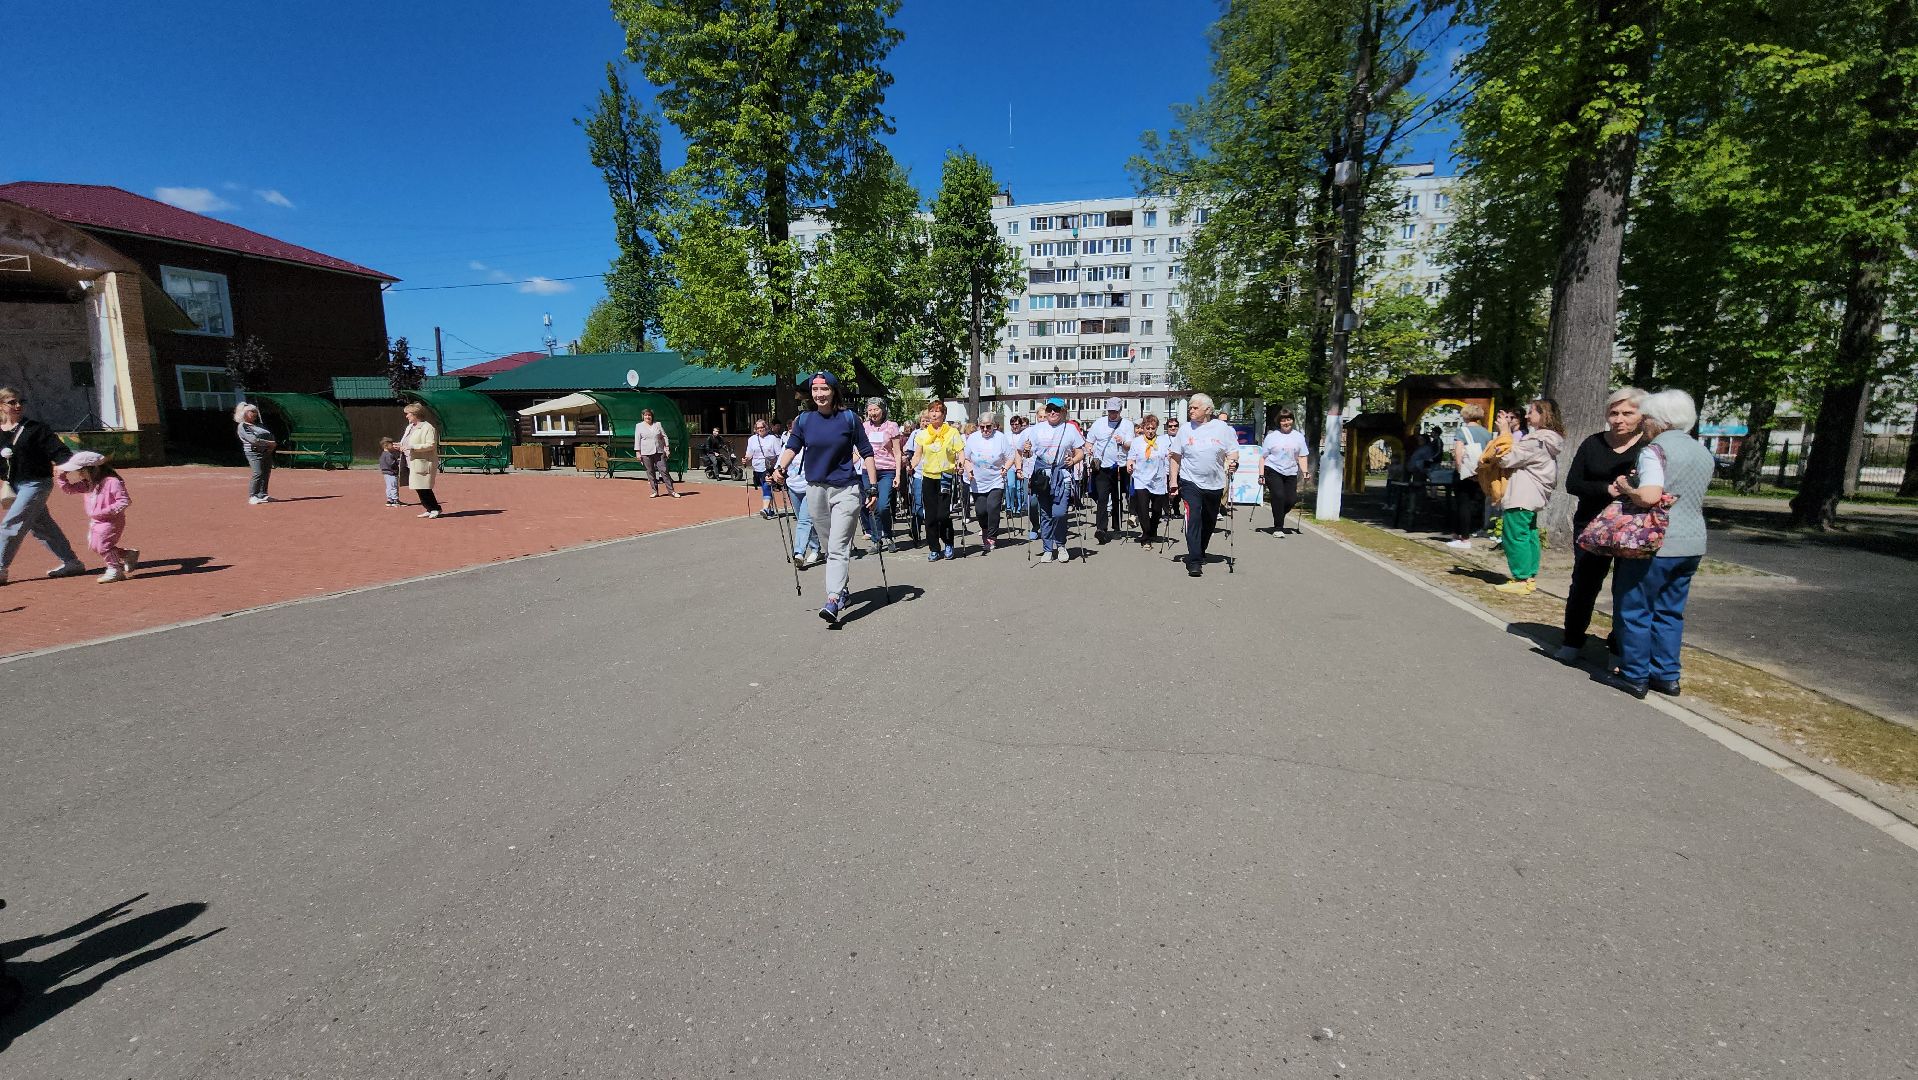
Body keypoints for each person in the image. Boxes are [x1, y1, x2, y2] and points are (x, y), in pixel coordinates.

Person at [1608, 389, 1713, 698]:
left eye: (1648, 418)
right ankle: (1666, 674)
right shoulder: (1701, 451)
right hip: (1692, 540)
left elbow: (1651, 495)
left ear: (1661, 421)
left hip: (1655, 541)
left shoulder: (1655, 450)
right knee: (1670, 610)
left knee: (1636, 607)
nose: (1645, 424)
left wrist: (1628, 487)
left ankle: (1634, 674)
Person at [772, 371, 877, 625]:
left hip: (846, 490)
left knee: (838, 547)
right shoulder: (805, 420)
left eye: (825, 389)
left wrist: (872, 487)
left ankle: (832, 599)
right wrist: (780, 468)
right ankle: (843, 590)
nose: (820, 394)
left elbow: (866, 452)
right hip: (816, 490)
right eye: (815, 389)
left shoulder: (849, 418)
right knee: (830, 547)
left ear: (834, 391)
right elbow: (792, 446)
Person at [1555, 388, 1647, 663]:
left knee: (1626, 589)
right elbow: (1573, 483)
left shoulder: (1649, 447)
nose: (1619, 419)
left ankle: (1618, 648)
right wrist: (1608, 489)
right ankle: (1572, 640)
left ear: (1643, 416)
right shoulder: (1592, 443)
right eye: (1613, 413)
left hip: (1632, 528)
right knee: (1584, 583)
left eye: (1627, 413)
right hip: (1591, 525)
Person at [0, 386, 86, 583]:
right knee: (42, 527)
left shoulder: (36, 429)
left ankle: (1, 568)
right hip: (14, 486)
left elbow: (59, 451)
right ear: (1, 406)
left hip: (36, 483)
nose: (18, 405)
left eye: (21, 401)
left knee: (11, 524)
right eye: (12, 402)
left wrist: (71, 465)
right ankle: (72, 563)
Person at [1481, 399, 1565, 595]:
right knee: (1529, 535)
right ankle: (1529, 577)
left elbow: (1507, 459)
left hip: (1522, 494)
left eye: (1531, 412)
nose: (1527, 416)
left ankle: (1521, 577)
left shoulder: (1537, 440)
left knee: (1515, 535)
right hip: (1532, 495)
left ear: (1544, 414)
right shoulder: (1548, 440)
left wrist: (1504, 433)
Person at [1168, 393, 1240, 577]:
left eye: (1194, 407)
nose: (1191, 410)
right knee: (1193, 518)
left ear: (1208, 410)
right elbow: (1175, 456)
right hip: (1190, 481)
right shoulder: (1185, 430)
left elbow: (1232, 452)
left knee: (1209, 521)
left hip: (1215, 483)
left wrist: (1233, 463)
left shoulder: (1222, 428)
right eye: (1190, 407)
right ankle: (1194, 560)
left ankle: (1200, 549)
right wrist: (1173, 481)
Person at [1016, 397, 1087, 563]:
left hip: (1062, 475)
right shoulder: (1036, 429)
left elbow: (1080, 452)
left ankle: (1061, 545)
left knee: (1059, 513)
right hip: (1042, 476)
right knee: (1046, 514)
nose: (1052, 412)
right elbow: (1025, 453)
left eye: (1056, 409)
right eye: (1049, 409)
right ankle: (1048, 548)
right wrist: (1026, 451)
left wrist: (1074, 461)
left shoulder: (1069, 429)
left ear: (1063, 412)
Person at [55, 451, 137, 583]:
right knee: (95, 545)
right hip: (97, 521)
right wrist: (61, 477)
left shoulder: (112, 482)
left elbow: (124, 501)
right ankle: (127, 554)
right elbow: (69, 489)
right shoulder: (88, 483)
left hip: (112, 520)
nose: (80, 474)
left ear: (94, 468)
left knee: (103, 545)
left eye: (82, 470)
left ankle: (115, 570)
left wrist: (106, 511)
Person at [913, 401, 965, 562]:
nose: (934, 414)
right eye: (932, 411)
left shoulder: (952, 432)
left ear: (944, 415)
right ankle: (934, 548)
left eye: (938, 411)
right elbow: (917, 455)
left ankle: (948, 543)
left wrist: (961, 464)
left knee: (943, 515)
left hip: (945, 477)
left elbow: (960, 452)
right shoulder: (922, 434)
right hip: (928, 477)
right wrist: (909, 465)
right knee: (930, 517)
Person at [1085, 398, 1135, 543]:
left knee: (1117, 496)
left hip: (1120, 466)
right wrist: (1089, 449)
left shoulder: (1127, 425)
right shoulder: (1099, 423)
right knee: (1102, 497)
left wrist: (1123, 442)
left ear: (1120, 411)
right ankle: (1101, 529)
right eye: (1110, 411)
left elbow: (1130, 446)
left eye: (1115, 411)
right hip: (1102, 467)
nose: (1112, 414)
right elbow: (1089, 442)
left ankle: (1117, 526)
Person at [962, 412, 1012, 555]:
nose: (985, 430)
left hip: (996, 480)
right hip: (978, 481)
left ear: (994, 426)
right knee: (981, 511)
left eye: (988, 427)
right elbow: (965, 458)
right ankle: (984, 529)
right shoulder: (973, 438)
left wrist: (1005, 468)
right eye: (982, 427)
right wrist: (969, 470)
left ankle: (991, 536)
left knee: (993, 507)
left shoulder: (1000, 438)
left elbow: (1010, 457)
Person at [1446, 404, 1494, 549]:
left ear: (1466, 415)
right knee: (1474, 503)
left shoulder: (1462, 431)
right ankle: (1463, 533)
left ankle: (1463, 538)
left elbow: (1459, 452)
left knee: (1462, 504)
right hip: (1480, 472)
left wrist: (1460, 469)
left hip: (1465, 472)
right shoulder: (1487, 433)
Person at [1259, 408, 1310, 535]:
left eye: (1288, 419)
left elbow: (1302, 456)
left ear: (1292, 420)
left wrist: (1305, 471)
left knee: (1291, 500)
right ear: (1279, 422)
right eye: (1283, 420)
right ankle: (1278, 528)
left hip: (1291, 471)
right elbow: (1263, 457)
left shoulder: (1298, 437)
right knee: (1279, 496)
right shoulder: (1272, 437)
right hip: (1273, 469)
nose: (1286, 423)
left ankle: (1279, 515)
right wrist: (1261, 474)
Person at [860, 399, 902, 551]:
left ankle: (888, 535)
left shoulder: (892, 426)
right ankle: (876, 539)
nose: (873, 413)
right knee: (872, 505)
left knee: (883, 505)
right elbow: (859, 450)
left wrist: (898, 475)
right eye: (870, 410)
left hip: (887, 470)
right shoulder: (864, 427)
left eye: (875, 410)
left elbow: (897, 453)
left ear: (883, 410)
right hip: (868, 470)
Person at [1124, 413, 1170, 544]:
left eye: (1153, 429)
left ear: (1156, 429)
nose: (1150, 431)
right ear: (1143, 428)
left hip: (1158, 479)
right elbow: (1131, 457)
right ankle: (1146, 535)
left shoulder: (1162, 441)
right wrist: (1129, 465)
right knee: (1143, 509)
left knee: (1156, 510)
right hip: (1141, 479)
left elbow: (1170, 455)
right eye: (1148, 428)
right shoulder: (1137, 442)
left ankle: (1153, 530)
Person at [399, 402, 444, 518]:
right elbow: (407, 441)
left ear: (415, 414)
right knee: (418, 487)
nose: (406, 416)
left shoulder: (428, 428)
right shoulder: (410, 427)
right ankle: (429, 508)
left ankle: (435, 508)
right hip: (411, 461)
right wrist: (399, 445)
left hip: (423, 462)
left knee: (424, 487)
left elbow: (431, 445)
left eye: (408, 414)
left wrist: (412, 447)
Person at [235, 401, 277, 505]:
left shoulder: (259, 425)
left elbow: (269, 435)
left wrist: (271, 446)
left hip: (266, 452)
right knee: (257, 473)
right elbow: (253, 440)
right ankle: (252, 496)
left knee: (266, 473)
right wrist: (269, 443)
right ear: (245, 413)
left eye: (255, 411)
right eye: (252, 411)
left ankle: (262, 494)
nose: (255, 414)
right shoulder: (243, 426)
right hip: (253, 453)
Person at [784, 449, 821, 568]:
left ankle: (799, 553)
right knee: (805, 520)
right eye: (788, 428)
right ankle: (816, 548)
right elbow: (780, 465)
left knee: (804, 521)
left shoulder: (812, 441)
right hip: (793, 487)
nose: (791, 429)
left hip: (810, 486)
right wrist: (776, 475)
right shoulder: (788, 444)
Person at [635, 409, 678, 498]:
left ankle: (671, 491)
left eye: (649, 415)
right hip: (646, 452)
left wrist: (667, 448)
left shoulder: (658, 424)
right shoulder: (639, 426)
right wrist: (638, 452)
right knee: (650, 472)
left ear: (652, 416)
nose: (647, 417)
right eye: (645, 415)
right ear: (643, 416)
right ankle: (655, 491)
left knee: (664, 471)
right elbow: (637, 440)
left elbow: (664, 436)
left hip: (659, 451)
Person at [745, 418, 782, 519]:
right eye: (758, 428)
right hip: (757, 467)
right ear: (755, 429)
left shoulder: (773, 439)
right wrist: (746, 459)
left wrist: (779, 468)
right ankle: (770, 510)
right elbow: (749, 453)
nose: (760, 429)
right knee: (764, 487)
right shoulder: (752, 439)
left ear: (766, 428)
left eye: (762, 427)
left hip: (769, 466)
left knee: (766, 486)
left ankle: (765, 508)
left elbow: (779, 454)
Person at [1162, 415, 1184, 519]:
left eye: (1175, 426)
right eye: (1170, 426)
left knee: (1178, 493)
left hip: (1179, 470)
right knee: (1166, 492)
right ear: (1167, 427)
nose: (1173, 428)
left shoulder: (1182, 438)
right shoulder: (1162, 439)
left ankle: (1176, 511)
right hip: (1165, 470)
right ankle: (1167, 512)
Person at [379, 437, 405, 507]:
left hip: (386, 473)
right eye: (391, 445)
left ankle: (389, 500)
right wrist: (397, 461)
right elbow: (391, 463)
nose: (393, 446)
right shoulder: (388, 455)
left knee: (389, 486)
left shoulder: (384, 454)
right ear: (386, 446)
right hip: (391, 473)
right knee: (394, 486)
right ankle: (395, 500)